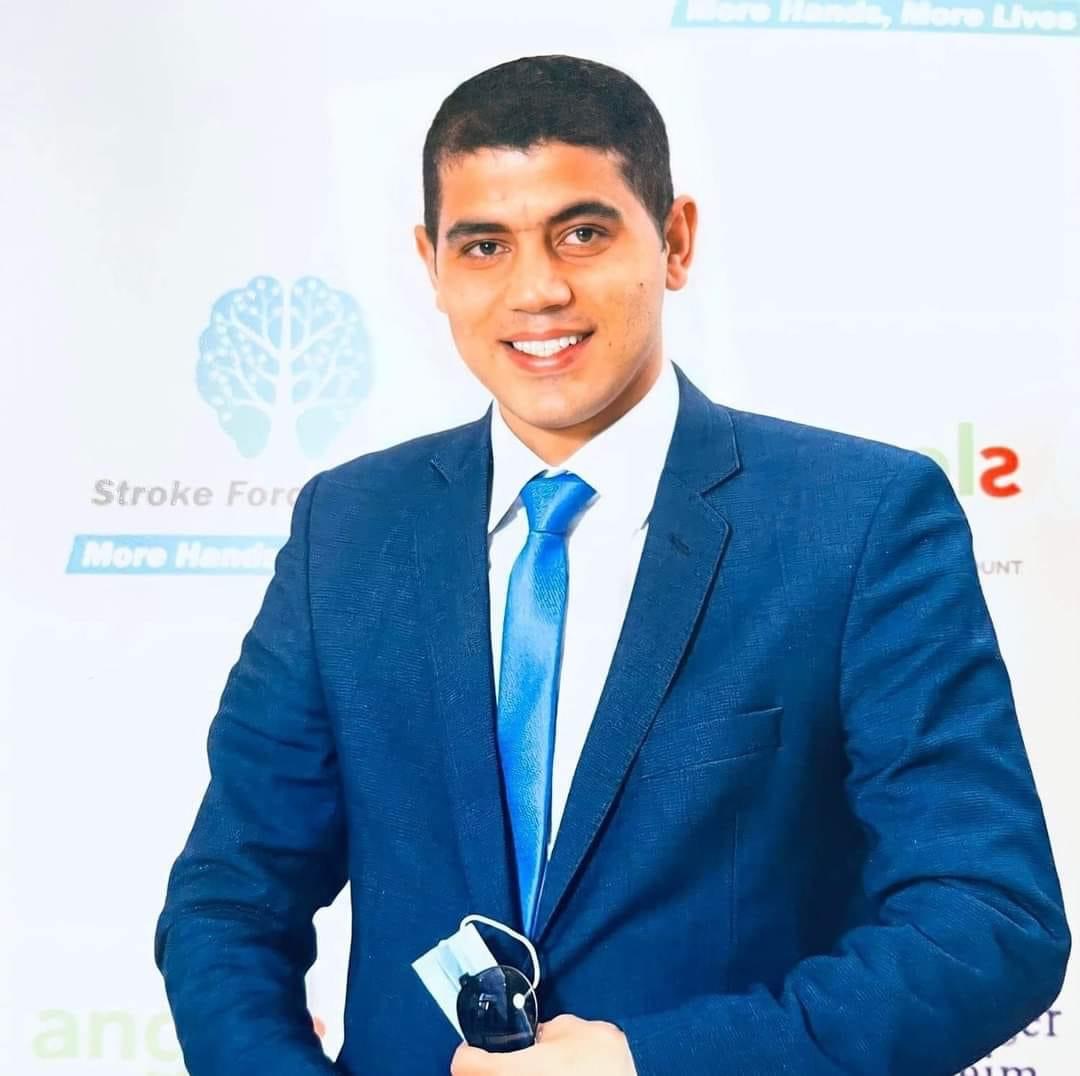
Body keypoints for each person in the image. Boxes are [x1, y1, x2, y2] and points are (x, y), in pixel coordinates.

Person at [154, 54, 1070, 1076]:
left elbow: (987, 920)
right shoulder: (349, 529)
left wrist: (647, 1062)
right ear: (432, 266)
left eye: (582, 234)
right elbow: (229, 905)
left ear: (675, 241)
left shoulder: (857, 520)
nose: (537, 290)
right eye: (485, 246)